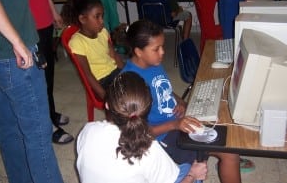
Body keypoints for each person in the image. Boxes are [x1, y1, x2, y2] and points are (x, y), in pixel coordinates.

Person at [122, 19, 241, 183]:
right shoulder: (130, 82)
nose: (162, 52)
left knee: (228, 145)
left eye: (162, 46)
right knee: (210, 158)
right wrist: (175, 125)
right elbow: (137, 133)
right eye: (156, 49)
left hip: (177, 122)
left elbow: (165, 90)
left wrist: (180, 103)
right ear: (138, 51)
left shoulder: (153, 63)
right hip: (160, 138)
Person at [76, 71, 208, 183]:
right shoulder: (149, 148)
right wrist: (193, 175)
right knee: (189, 166)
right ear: (147, 110)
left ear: (107, 105)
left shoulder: (87, 130)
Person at [0, 0, 64, 182]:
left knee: (10, 132)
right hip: (15, 58)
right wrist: (17, 41)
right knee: (37, 134)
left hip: (4, 58)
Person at [17, 0, 74, 145]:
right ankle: (45, 124)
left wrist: (54, 12)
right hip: (27, 27)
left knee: (48, 75)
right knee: (36, 79)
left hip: (45, 22)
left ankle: (50, 112)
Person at [61, 0, 124, 100]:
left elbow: (114, 55)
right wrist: (105, 97)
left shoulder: (102, 32)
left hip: (114, 72)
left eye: (102, 16)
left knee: (142, 80)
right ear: (82, 19)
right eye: (97, 17)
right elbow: (87, 75)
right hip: (101, 82)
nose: (102, 21)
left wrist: (127, 71)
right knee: (128, 96)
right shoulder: (77, 42)